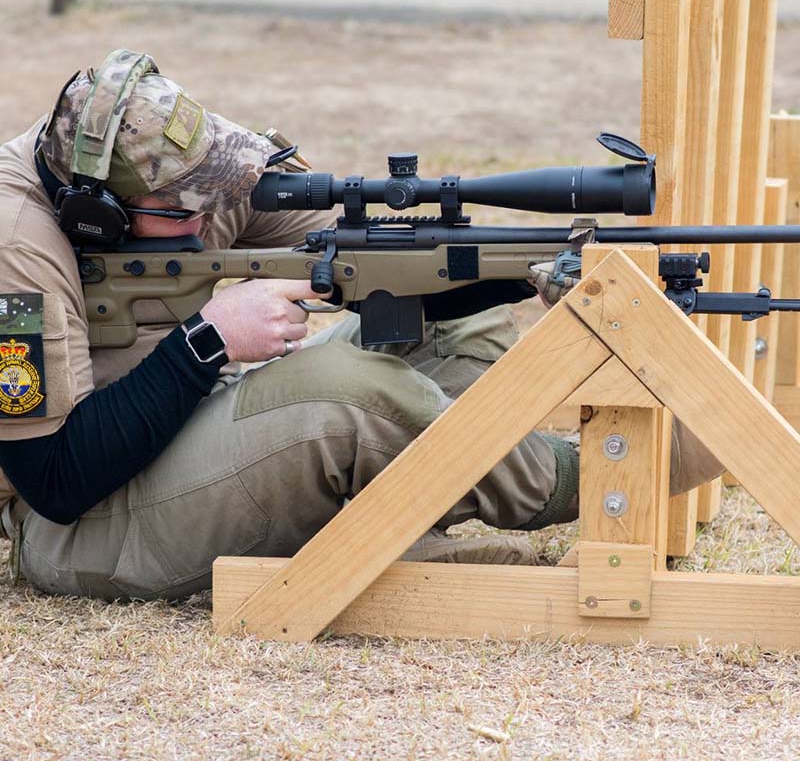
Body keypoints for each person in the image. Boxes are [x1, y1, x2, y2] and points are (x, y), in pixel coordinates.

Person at [0, 50, 722, 600]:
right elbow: (55, 479)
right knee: (346, 390)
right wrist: (208, 339)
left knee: (459, 332)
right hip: (75, 524)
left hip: (178, 435)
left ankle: (404, 521)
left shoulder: (167, 174)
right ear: (97, 215)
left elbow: (370, 271)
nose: (205, 215)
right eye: (182, 210)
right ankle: (586, 479)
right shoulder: (16, 252)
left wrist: (526, 269)